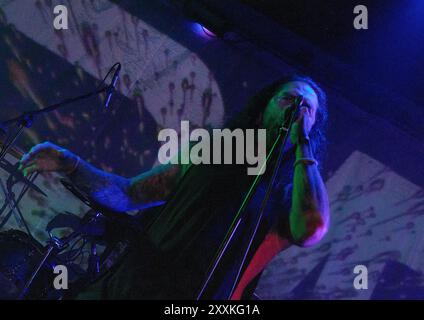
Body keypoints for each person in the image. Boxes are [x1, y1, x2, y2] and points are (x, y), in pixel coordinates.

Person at [18, 74, 330, 300]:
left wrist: (301, 139)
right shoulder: (211, 150)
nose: (298, 108)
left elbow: (312, 228)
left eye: (308, 108)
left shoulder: (293, 191)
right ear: (264, 110)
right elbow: (128, 195)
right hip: (131, 284)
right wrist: (72, 164)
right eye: (289, 99)